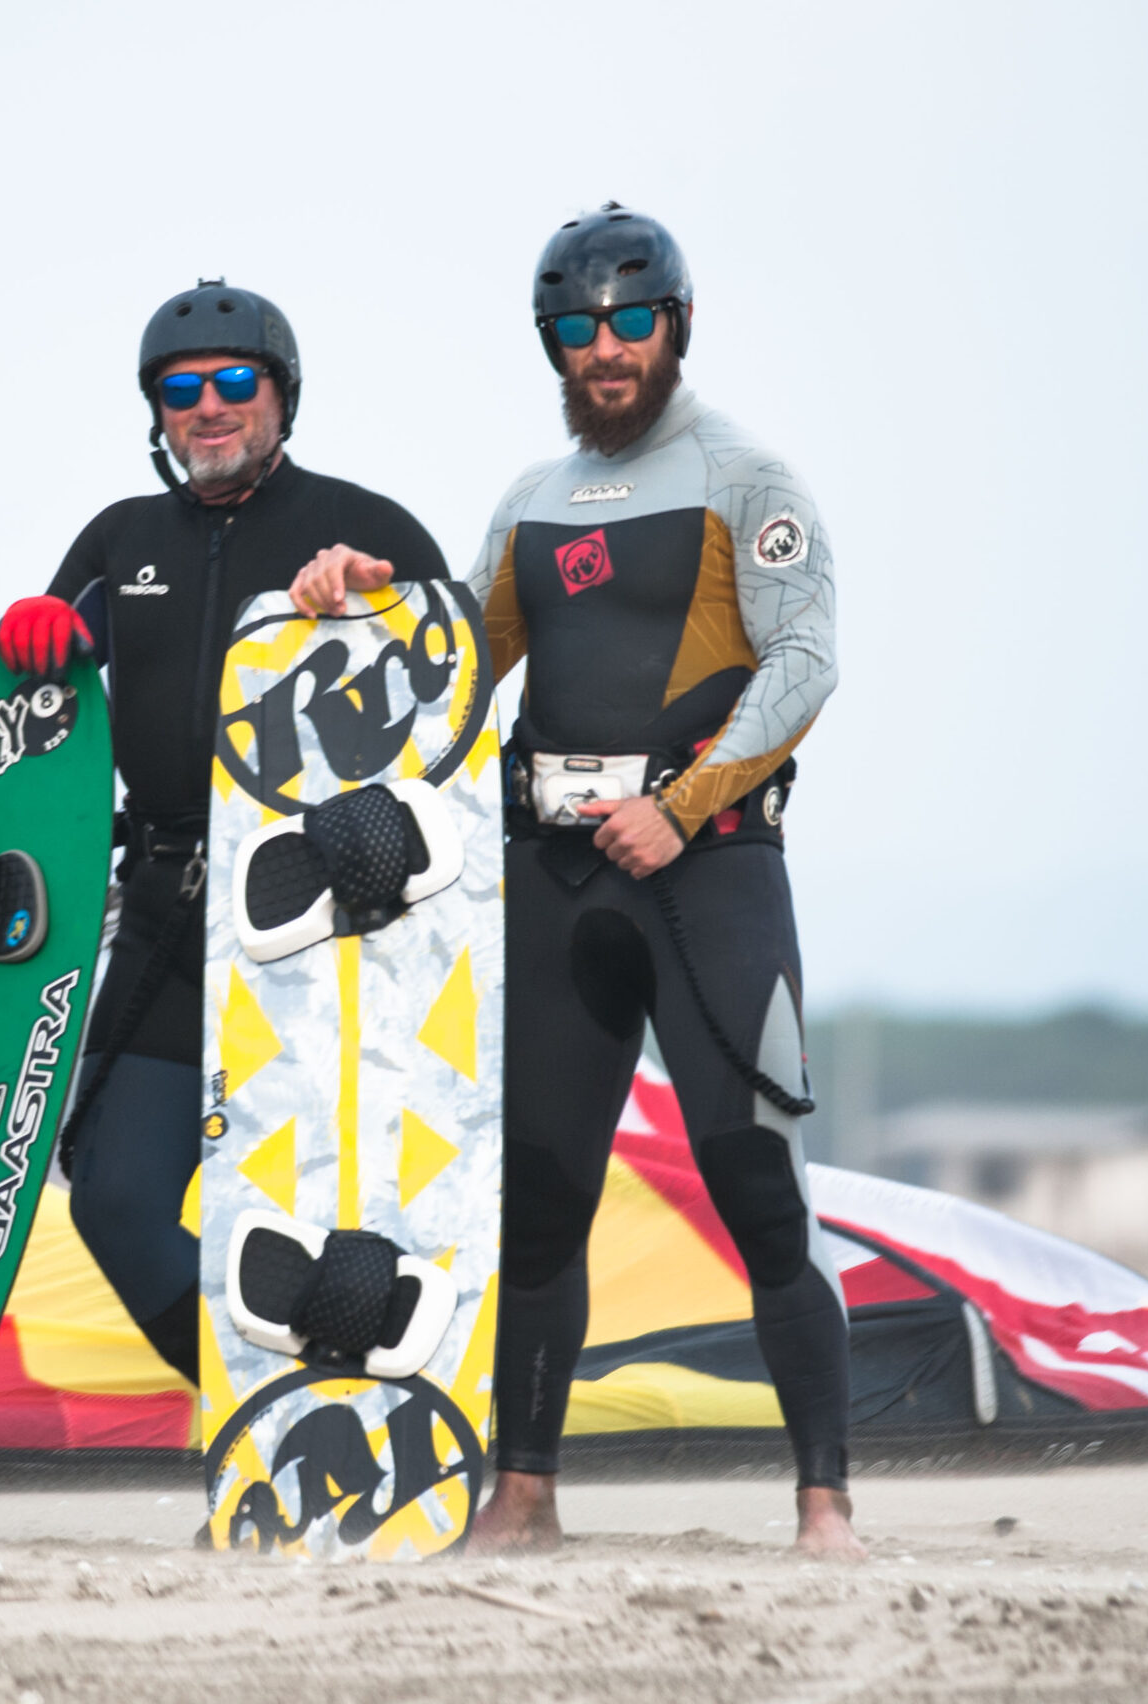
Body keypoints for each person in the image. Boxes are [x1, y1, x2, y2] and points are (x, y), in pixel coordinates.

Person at [292, 204, 862, 1560]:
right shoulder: (531, 503)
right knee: (538, 1199)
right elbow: (448, 677)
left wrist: (679, 807)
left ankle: (824, 1503)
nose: (603, 349)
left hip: (707, 876)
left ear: (675, 324)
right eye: (575, 327)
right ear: (549, 340)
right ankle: (527, 1494)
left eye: (628, 320)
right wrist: (356, 596)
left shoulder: (746, 477)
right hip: (553, 879)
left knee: (756, 1186)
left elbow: (804, 667)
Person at [0, 281, 448, 1381]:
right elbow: (42, 704)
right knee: (113, 1199)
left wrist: (377, 609)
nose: (207, 406)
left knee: (311, 1207)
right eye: (180, 389)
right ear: (155, 411)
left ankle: (355, 1418)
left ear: (280, 398)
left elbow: (456, 714)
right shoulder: (120, 537)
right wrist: (37, 638)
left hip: (325, 918)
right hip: (160, 911)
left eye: (233, 383)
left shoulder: (369, 526)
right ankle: (256, 1411)